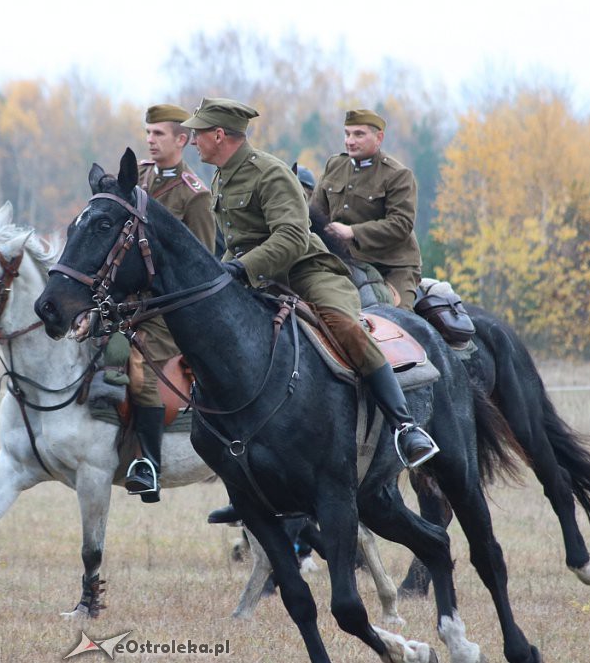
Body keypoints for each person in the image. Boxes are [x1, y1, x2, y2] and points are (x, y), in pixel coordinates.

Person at [180, 98, 438, 524]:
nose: (193, 142)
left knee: (347, 329)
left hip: (307, 273)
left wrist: (241, 269)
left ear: (219, 136)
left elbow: (292, 236)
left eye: (198, 134)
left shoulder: (269, 172)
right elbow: (233, 241)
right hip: (258, 279)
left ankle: (405, 426)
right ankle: (243, 478)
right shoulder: (222, 178)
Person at [124, 104, 216, 503]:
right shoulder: (138, 178)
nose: (150, 140)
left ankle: (148, 464)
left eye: (159, 134)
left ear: (181, 140)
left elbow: (202, 262)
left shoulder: (195, 195)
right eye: (147, 133)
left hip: (167, 309)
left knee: (139, 366)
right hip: (128, 301)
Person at [311, 109, 421, 310]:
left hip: (391, 266)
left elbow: (401, 225)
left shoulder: (398, 175)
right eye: (347, 134)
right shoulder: (335, 165)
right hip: (343, 261)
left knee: (398, 323)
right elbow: (315, 213)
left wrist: (352, 232)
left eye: (358, 134)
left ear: (379, 138)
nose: (350, 141)